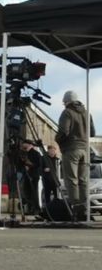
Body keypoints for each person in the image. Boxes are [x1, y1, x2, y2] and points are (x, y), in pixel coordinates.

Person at [55, 90, 96, 218]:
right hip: (85, 149)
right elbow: (92, 133)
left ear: (67, 101)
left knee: (71, 180)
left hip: (71, 150)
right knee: (83, 180)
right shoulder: (86, 112)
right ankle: (84, 208)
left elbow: (64, 131)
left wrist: (57, 139)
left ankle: (76, 209)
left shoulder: (67, 112)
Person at [17, 140, 42, 215]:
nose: (24, 145)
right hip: (26, 175)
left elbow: (38, 165)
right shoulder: (24, 153)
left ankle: (36, 208)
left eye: (25, 144)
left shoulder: (36, 153)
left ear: (30, 145)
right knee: (27, 192)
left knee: (34, 192)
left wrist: (29, 165)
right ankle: (30, 208)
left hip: (33, 175)